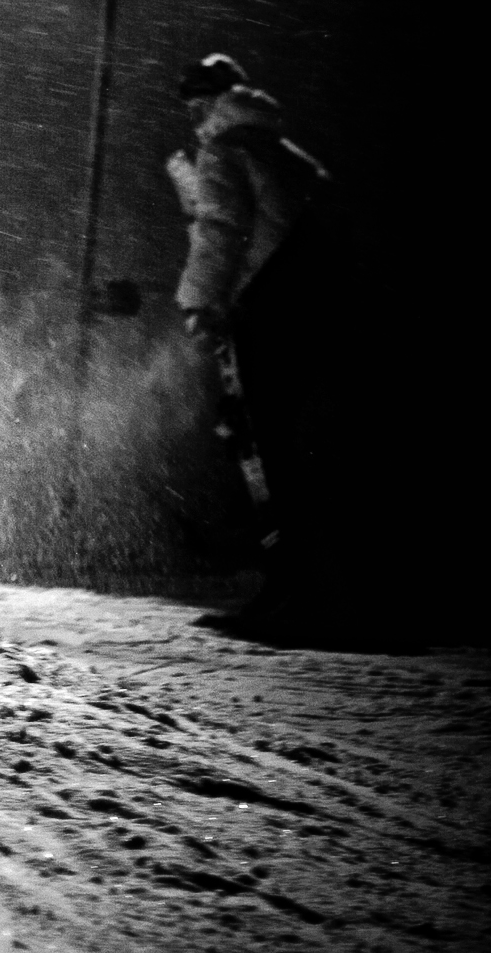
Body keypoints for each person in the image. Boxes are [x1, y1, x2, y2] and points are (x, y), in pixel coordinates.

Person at [167, 54, 338, 600]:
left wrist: (198, 301)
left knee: (257, 441)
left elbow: (221, 228)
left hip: (266, 304)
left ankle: (286, 578)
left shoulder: (222, 149)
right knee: (300, 434)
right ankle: (322, 565)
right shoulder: (289, 154)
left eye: (197, 104)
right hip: (314, 303)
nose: (193, 116)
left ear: (216, 101)